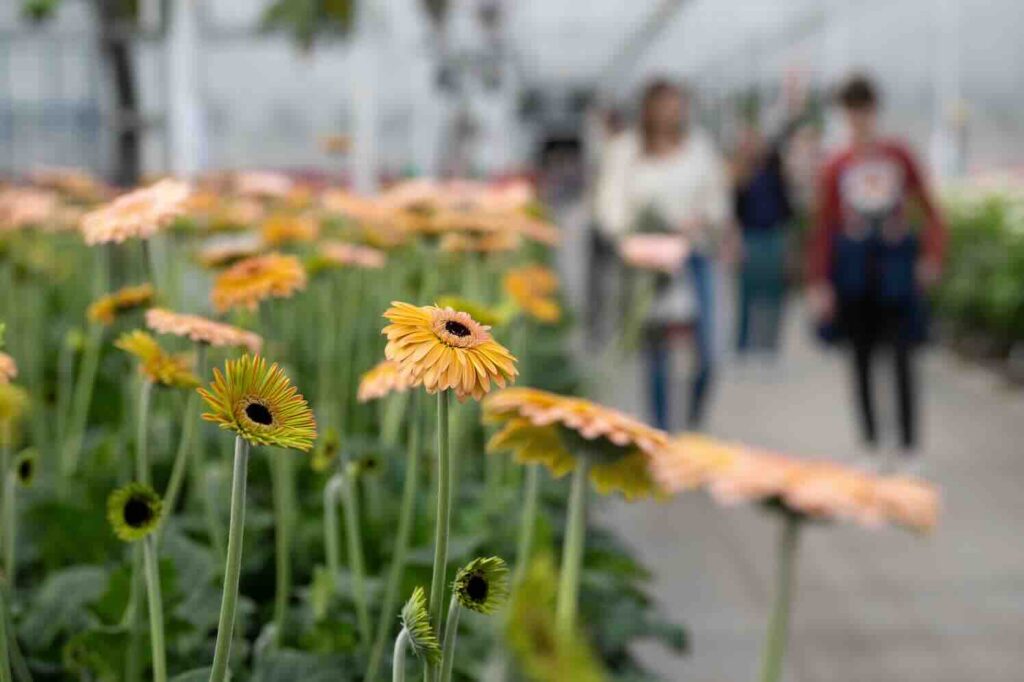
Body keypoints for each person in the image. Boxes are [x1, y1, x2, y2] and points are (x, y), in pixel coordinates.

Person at [807, 74, 947, 469]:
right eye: (852, 111)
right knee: (861, 359)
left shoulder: (898, 156)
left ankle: (908, 447)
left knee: (903, 358)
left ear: (874, 111)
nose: (858, 119)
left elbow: (932, 212)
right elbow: (825, 227)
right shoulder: (836, 165)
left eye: (863, 110)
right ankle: (870, 443)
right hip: (854, 272)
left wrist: (931, 257)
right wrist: (820, 281)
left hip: (896, 273)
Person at [595, 79, 733, 430]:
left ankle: (693, 422)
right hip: (650, 259)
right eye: (665, 103)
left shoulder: (699, 146)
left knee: (708, 349)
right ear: (648, 108)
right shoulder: (626, 150)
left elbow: (718, 198)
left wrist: (704, 221)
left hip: (694, 254)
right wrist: (632, 235)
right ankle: (662, 432)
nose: (673, 111)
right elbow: (610, 206)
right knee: (656, 351)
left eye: (678, 103)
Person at [731, 116, 798, 360]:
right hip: (750, 238)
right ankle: (744, 346)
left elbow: (786, 210)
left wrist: (789, 247)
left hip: (773, 237)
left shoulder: (774, 171)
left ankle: (769, 347)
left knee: (773, 294)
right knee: (748, 294)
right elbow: (734, 213)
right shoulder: (740, 176)